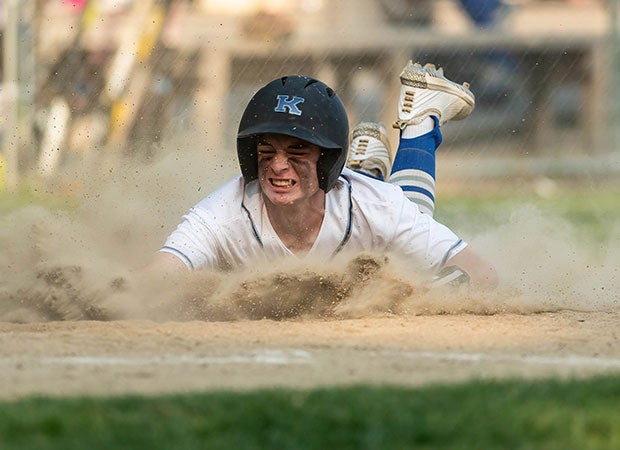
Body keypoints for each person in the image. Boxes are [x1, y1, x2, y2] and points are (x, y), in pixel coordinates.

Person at [150, 61, 498, 290]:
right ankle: (368, 169)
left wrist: (427, 293)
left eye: (298, 151)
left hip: (376, 203)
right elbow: (161, 275)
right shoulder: (221, 214)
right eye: (267, 150)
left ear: (328, 159)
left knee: (407, 240)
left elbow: (483, 276)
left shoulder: (376, 206)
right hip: (367, 203)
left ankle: (422, 119)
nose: (278, 165)